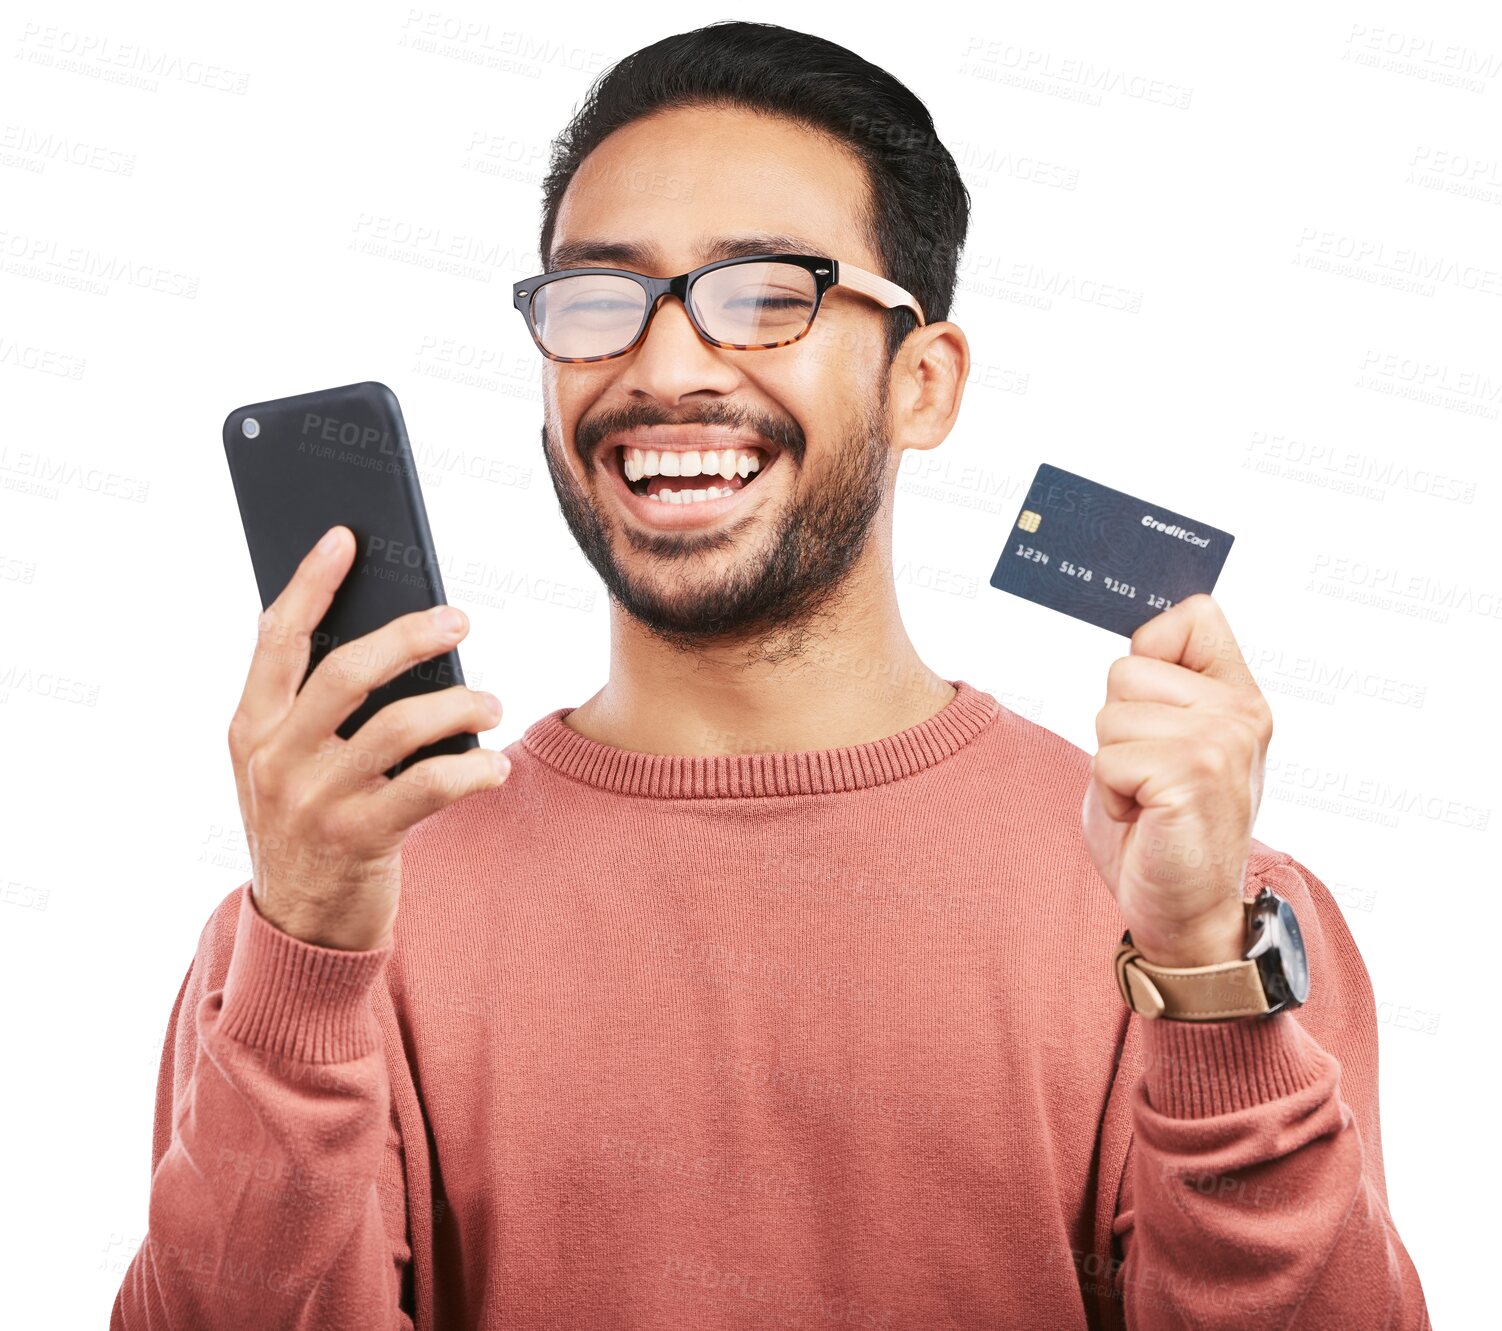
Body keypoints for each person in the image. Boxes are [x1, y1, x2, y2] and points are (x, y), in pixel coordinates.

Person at [113, 20, 1430, 1330]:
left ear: (923, 381)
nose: (666, 366)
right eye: (596, 300)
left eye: (762, 295)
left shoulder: (1210, 916)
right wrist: (309, 955)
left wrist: (1204, 985)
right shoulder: (323, 918)